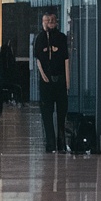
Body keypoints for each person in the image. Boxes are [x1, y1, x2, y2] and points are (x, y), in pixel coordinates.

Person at [34, 10, 69, 152]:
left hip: (59, 79)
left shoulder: (61, 37)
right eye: (47, 21)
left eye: (52, 21)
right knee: (46, 113)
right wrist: (43, 74)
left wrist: (67, 82)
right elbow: (38, 59)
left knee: (61, 113)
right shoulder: (40, 38)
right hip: (46, 80)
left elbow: (66, 59)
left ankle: (61, 142)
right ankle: (50, 142)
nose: (49, 23)